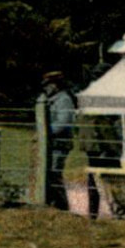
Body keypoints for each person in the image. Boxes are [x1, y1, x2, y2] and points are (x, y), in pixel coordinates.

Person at [41, 71, 77, 209]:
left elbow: (64, 123)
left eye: (48, 85)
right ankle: (52, 203)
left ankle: (63, 206)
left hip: (59, 143)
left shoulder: (64, 100)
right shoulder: (51, 99)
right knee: (49, 173)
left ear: (56, 85)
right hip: (51, 144)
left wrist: (45, 131)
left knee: (55, 173)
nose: (46, 88)